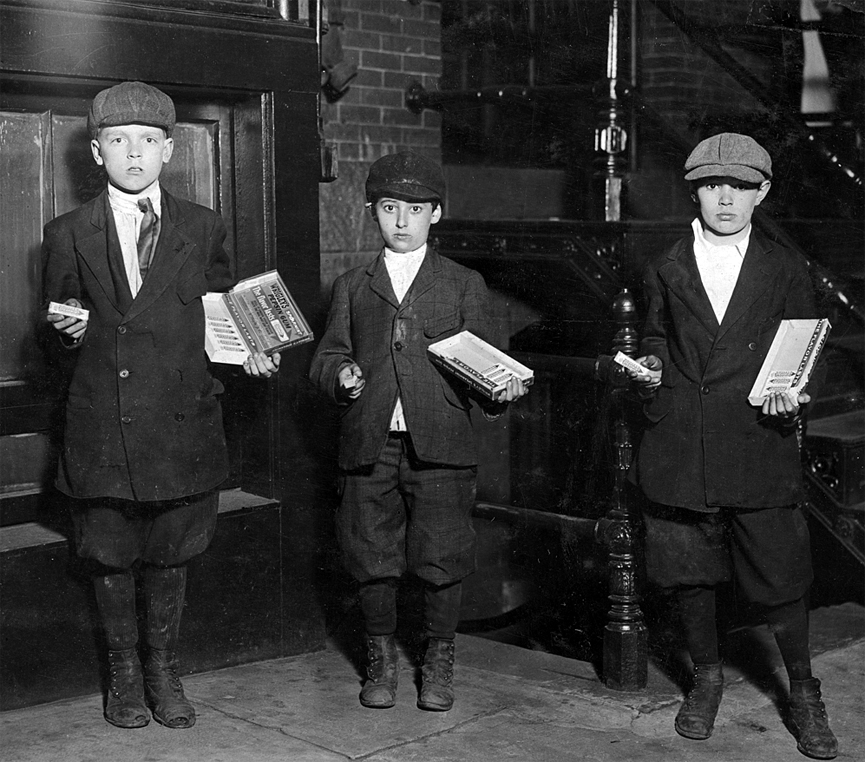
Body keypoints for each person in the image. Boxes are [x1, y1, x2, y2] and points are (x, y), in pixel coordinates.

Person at [43, 81, 279, 730]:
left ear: (170, 150)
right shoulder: (67, 232)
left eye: (148, 141)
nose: (134, 154)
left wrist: (251, 349)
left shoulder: (203, 228)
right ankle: (123, 679)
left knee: (172, 553)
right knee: (111, 555)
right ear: (96, 153)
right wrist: (63, 327)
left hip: (179, 420)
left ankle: (163, 673)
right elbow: (58, 320)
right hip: (102, 421)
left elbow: (222, 310)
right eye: (118, 141)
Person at [628, 133, 837, 759]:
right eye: (714, 185)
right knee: (688, 571)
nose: (726, 198)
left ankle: (803, 692)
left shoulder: (782, 267)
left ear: (762, 194)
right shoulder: (665, 264)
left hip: (756, 440)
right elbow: (658, 339)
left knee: (781, 575)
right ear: (695, 191)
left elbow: (808, 344)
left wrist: (794, 391)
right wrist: (649, 366)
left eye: (741, 187)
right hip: (681, 442)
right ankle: (707, 680)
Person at [309, 151, 528, 712]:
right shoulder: (352, 286)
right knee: (370, 555)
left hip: (442, 447)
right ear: (370, 213)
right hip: (370, 443)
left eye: (415, 209)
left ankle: (438, 661)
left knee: (442, 556)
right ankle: (379, 660)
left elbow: (488, 366)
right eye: (388, 208)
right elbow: (326, 355)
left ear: (436, 214)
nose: (401, 221)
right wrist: (342, 374)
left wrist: (500, 390)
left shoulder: (462, 284)